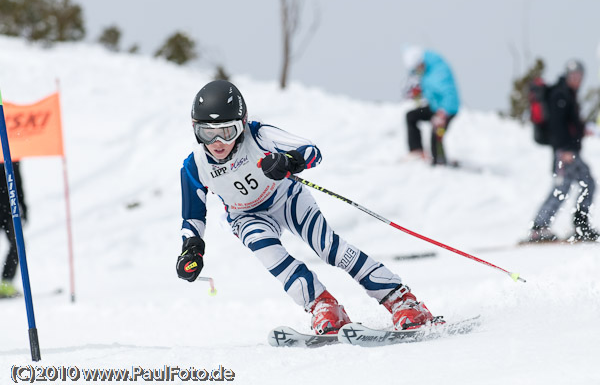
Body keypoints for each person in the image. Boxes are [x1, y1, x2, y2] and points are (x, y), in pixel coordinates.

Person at [176, 80, 435, 334]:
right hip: (245, 215)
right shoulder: (195, 165)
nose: (217, 142)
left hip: (285, 198)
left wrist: (287, 161)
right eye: (207, 133)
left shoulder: (259, 135)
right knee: (272, 258)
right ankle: (323, 306)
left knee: (329, 248)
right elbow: (193, 216)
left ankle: (400, 299)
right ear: (195, 129)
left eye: (227, 132)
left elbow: (312, 151)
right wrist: (192, 250)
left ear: (242, 125)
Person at [527, 60, 599, 242]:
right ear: (567, 75)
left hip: (568, 150)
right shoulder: (560, 95)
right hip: (565, 152)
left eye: (580, 76)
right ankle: (542, 227)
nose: (577, 80)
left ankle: (571, 225)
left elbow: (569, 124)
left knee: (576, 185)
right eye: (574, 76)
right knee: (577, 184)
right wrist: (564, 149)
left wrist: (582, 129)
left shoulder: (567, 94)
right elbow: (557, 126)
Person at [402, 46, 460, 165]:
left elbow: (449, 94)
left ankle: (439, 162)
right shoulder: (425, 70)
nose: (417, 72)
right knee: (411, 116)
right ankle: (417, 151)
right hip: (434, 107)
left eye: (417, 68)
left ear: (421, 62)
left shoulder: (439, 71)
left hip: (447, 109)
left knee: (436, 134)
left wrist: (443, 114)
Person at [0, 162, 27, 298]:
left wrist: (23, 206)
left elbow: (18, 183)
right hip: (6, 208)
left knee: (18, 244)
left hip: (10, 211)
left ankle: (6, 283)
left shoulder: (13, 156)